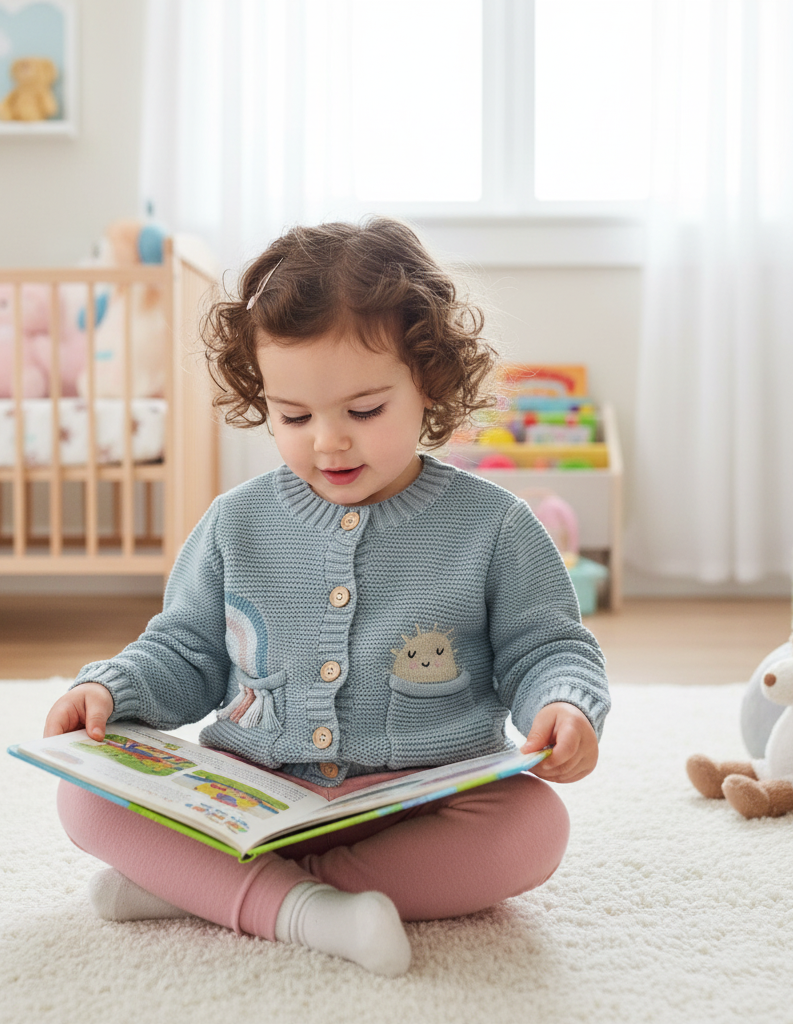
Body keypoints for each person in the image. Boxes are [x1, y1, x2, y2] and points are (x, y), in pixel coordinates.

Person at [44, 217, 610, 977]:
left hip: (415, 807)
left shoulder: (496, 526)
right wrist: (109, 690)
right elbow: (184, 651)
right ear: (262, 400)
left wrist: (564, 703)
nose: (328, 443)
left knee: (535, 826)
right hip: (254, 796)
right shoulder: (234, 523)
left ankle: (229, 894)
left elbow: (547, 646)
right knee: (84, 797)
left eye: (364, 411)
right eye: (294, 417)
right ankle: (302, 907)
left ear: (429, 385)